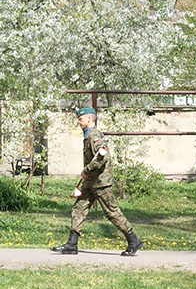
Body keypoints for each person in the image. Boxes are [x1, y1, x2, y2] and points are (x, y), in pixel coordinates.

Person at [52, 107, 142, 256]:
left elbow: (102, 156)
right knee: (78, 209)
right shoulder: (88, 134)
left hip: (100, 182)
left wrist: (86, 171)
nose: (78, 121)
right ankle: (71, 244)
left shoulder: (94, 134)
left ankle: (133, 240)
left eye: (80, 119)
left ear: (89, 119)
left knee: (111, 211)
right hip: (91, 183)